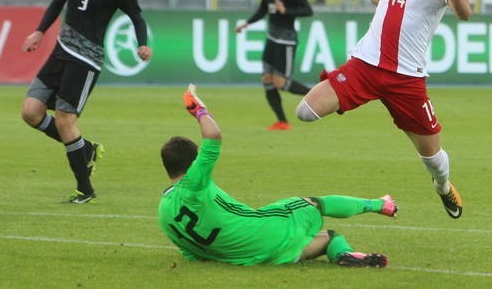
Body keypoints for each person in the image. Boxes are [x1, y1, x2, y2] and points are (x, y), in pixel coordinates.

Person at [295, 0, 472, 219]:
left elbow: (465, 13)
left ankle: (443, 189)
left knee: (433, 160)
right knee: (305, 112)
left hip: (406, 80)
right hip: (365, 66)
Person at [159, 85, 393, 268]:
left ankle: (342, 253)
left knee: (329, 238)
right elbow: (213, 135)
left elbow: (193, 254)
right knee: (311, 204)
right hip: (261, 231)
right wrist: (198, 109)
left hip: (245, 257)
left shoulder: (163, 212)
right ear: (193, 164)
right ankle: (380, 205)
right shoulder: (194, 182)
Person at [21, 0, 153, 203]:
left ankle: (85, 189)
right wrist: (39, 32)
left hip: (87, 58)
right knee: (31, 111)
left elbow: (136, 17)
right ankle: (86, 150)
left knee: (66, 120)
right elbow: (58, 1)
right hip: (60, 50)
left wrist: (142, 44)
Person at [235, 0, 313, 130]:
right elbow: (263, 9)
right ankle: (282, 122)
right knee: (267, 79)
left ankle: (315, 95)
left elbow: (307, 10)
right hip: (271, 39)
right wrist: (246, 23)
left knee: (280, 82)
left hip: (286, 41)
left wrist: (286, 10)